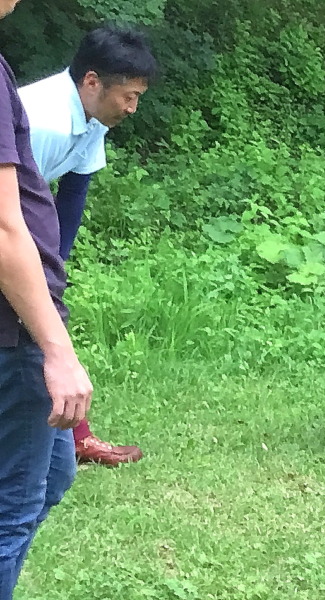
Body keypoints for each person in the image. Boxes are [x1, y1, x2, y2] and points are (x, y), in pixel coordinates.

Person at [18, 25, 157, 466]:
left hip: (20, 228)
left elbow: (73, 192)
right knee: (33, 337)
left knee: (42, 329)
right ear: (92, 81)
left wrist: (55, 267)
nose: (133, 108)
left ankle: (74, 436)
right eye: (128, 96)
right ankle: (72, 436)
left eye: (138, 97)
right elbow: (11, 208)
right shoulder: (43, 123)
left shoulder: (92, 117)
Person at [0, 0, 94, 596]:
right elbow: (5, 228)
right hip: (14, 330)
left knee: (55, 472)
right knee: (11, 510)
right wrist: (56, 349)